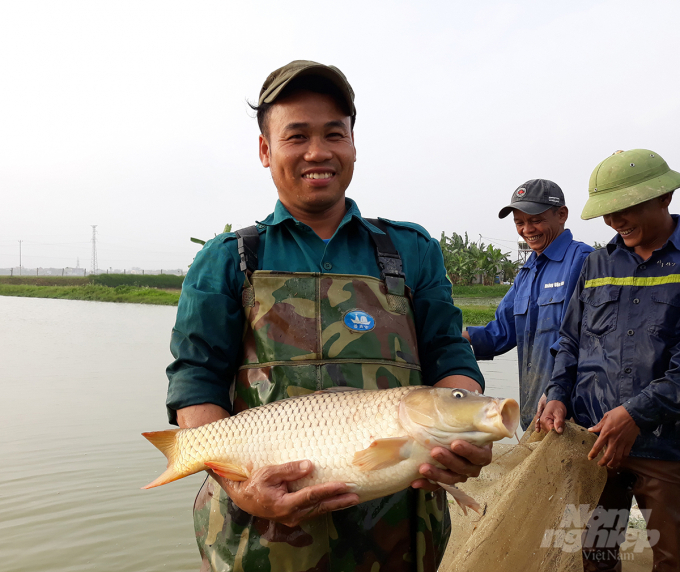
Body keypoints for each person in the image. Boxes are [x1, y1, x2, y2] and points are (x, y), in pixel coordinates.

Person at [165, 60, 491, 572]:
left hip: (400, 532)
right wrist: (244, 489)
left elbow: (449, 353)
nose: (318, 152)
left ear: (354, 145)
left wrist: (464, 431)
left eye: (333, 135)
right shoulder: (227, 259)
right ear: (265, 150)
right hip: (263, 542)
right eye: (296, 136)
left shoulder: (410, 250)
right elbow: (197, 381)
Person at [540, 149, 680, 572]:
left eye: (626, 208)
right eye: (608, 213)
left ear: (664, 198)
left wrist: (634, 413)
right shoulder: (596, 264)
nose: (615, 221)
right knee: (596, 553)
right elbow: (570, 342)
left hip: (666, 446)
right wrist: (556, 395)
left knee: (673, 557)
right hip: (594, 442)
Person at [463, 180, 592, 430]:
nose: (526, 230)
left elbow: (582, 340)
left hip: (572, 415)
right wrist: (457, 338)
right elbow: (501, 332)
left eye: (535, 220)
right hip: (535, 414)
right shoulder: (526, 272)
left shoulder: (584, 261)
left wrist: (558, 392)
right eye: (519, 223)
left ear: (562, 215)